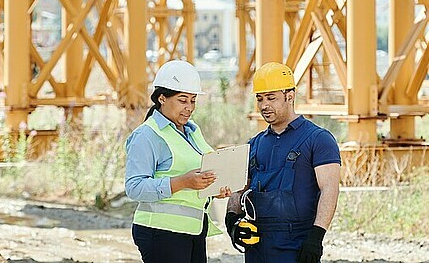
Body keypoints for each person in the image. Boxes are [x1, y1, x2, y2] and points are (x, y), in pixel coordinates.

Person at [226, 62, 341, 263]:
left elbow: (329, 189)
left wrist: (316, 236)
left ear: (290, 96)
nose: (264, 105)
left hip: (298, 244)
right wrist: (232, 220)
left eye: (271, 98)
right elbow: (237, 189)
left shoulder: (318, 139)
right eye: (260, 99)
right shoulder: (254, 144)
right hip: (257, 246)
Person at [125, 60, 230, 263]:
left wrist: (215, 189)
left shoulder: (192, 131)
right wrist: (182, 182)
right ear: (162, 98)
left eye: (193, 101)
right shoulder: (147, 135)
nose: (189, 108)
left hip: (193, 230)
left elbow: (201, 173)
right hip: (160, 231)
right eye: (183, 100)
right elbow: (134, 187)